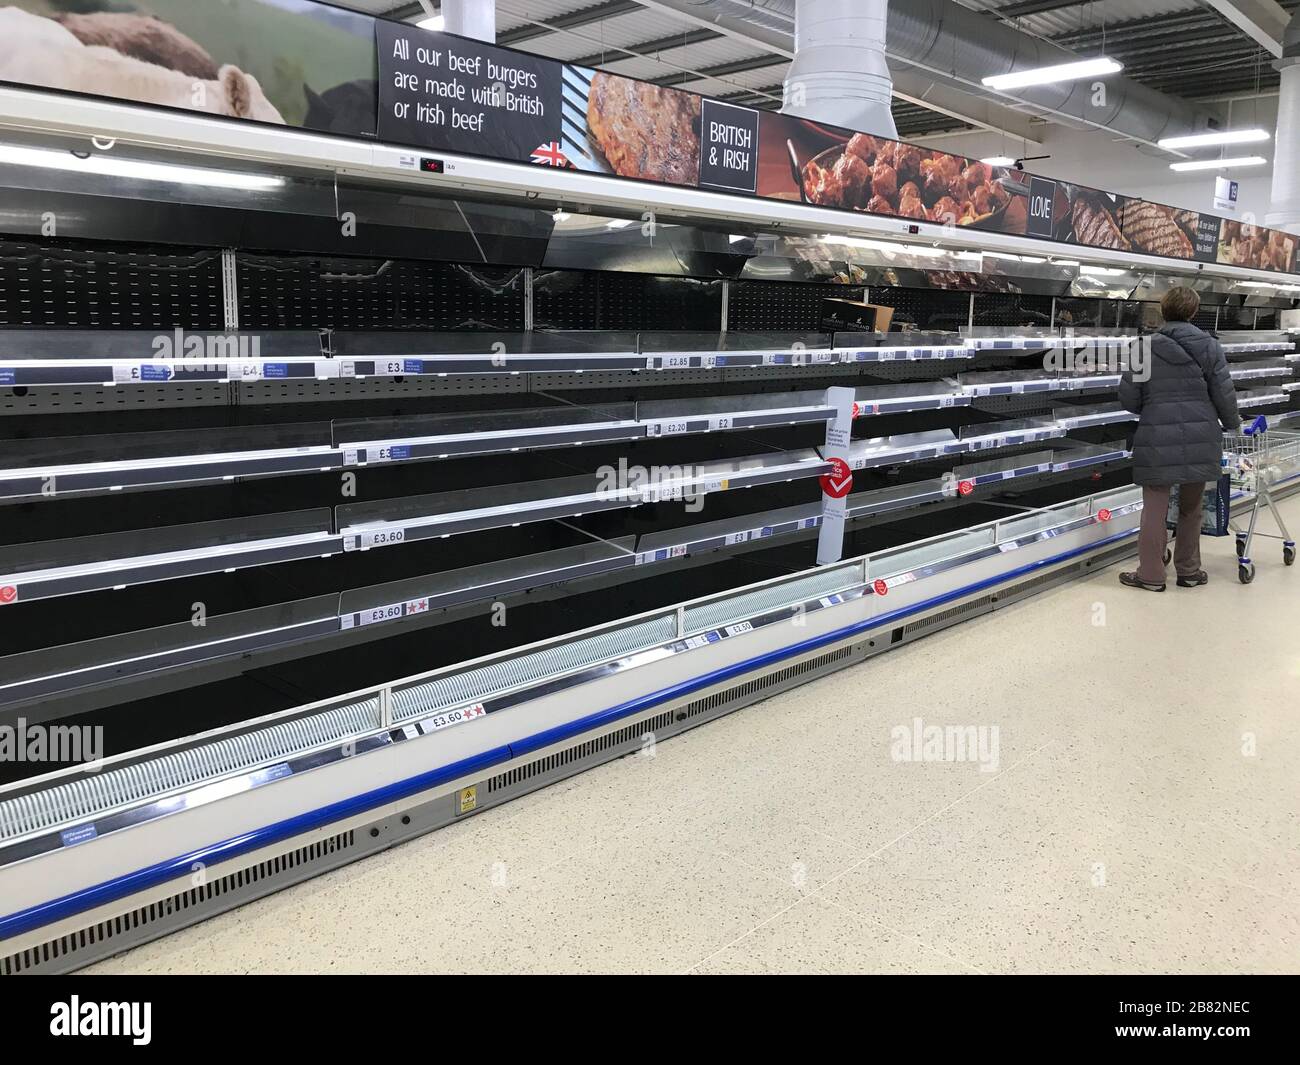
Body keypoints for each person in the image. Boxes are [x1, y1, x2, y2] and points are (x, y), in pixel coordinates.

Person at [1117, 286, 1240, 591]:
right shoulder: (1210, 346)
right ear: (1194, 312)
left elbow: (1129, 400)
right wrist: (1233, 424)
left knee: (1154, 509)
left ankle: (1151, 575)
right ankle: (1188, 571)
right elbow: (1224, 392)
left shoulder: (1143, 347)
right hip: (1201, 434)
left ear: (1163, 310)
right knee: (1192, 507)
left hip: (1157, 435)